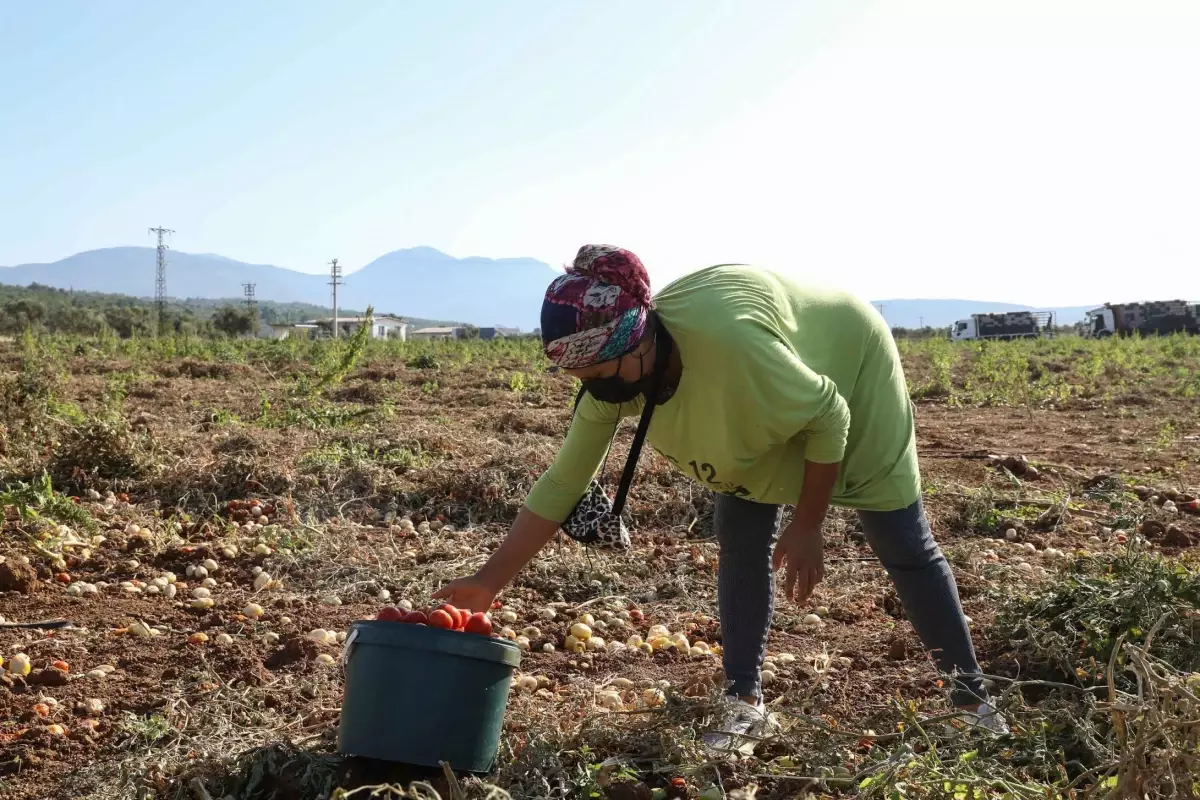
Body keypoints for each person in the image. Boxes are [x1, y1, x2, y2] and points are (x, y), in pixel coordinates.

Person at [435, 244, 1007, 752]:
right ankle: (744, 703)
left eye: (602, 371)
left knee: (901, 543)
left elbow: (830, 412)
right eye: (583, 376)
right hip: (753, 396)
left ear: (640, 343)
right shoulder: (615, 380)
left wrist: (809, 525)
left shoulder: (734, 352)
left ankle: (974, 703)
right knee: (740, 534)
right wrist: (491, 581)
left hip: (845, 362)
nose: (597, 388)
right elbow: (562, 484)